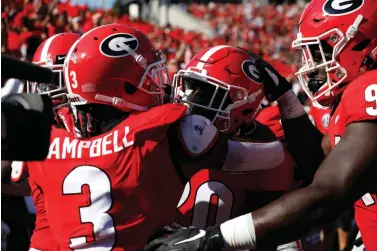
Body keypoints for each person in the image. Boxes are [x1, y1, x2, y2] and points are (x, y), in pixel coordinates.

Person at [143, 0, 377, 250]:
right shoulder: (348, 101)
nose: (312, 64)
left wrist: (214, 238)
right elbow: (317, 162)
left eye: (322, 50)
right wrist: (285, 95)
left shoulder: (368, 88)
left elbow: (326, 192)